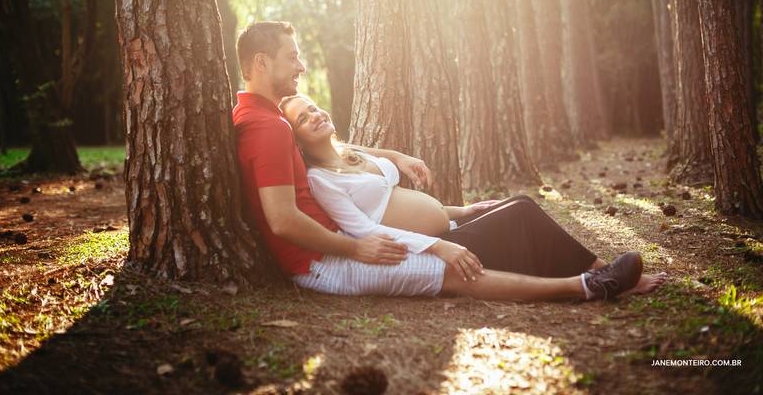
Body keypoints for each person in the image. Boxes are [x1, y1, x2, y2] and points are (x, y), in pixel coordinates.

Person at [233, 21, 662, 302]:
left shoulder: (267, 120)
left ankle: (597, 275)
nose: (301, 65)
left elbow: (338, 152)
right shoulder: (270, 128)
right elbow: (284, 220)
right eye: (292, 57)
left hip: (348, 247)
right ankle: (588, 286)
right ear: (261, 63)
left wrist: (401, 163)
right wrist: (357, 246)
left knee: (513, 215)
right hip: (325, 261)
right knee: (458, 267)